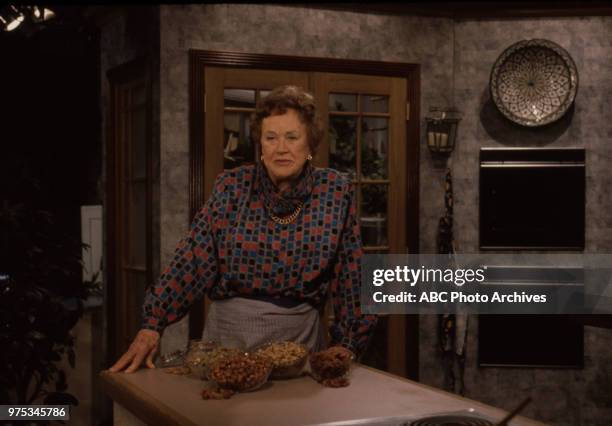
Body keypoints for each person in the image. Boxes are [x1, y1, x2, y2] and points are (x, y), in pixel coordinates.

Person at [110, 85, 377, 373]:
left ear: (310, 143)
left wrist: (349, 343)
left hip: (300, 344)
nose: (281, 148)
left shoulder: (335, 191)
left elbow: (352, 273)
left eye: (292, 137)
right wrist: (153, 323)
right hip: (228, 341)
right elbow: (193, 259)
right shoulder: (232, 186)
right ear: (260, 145)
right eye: (271, 138)